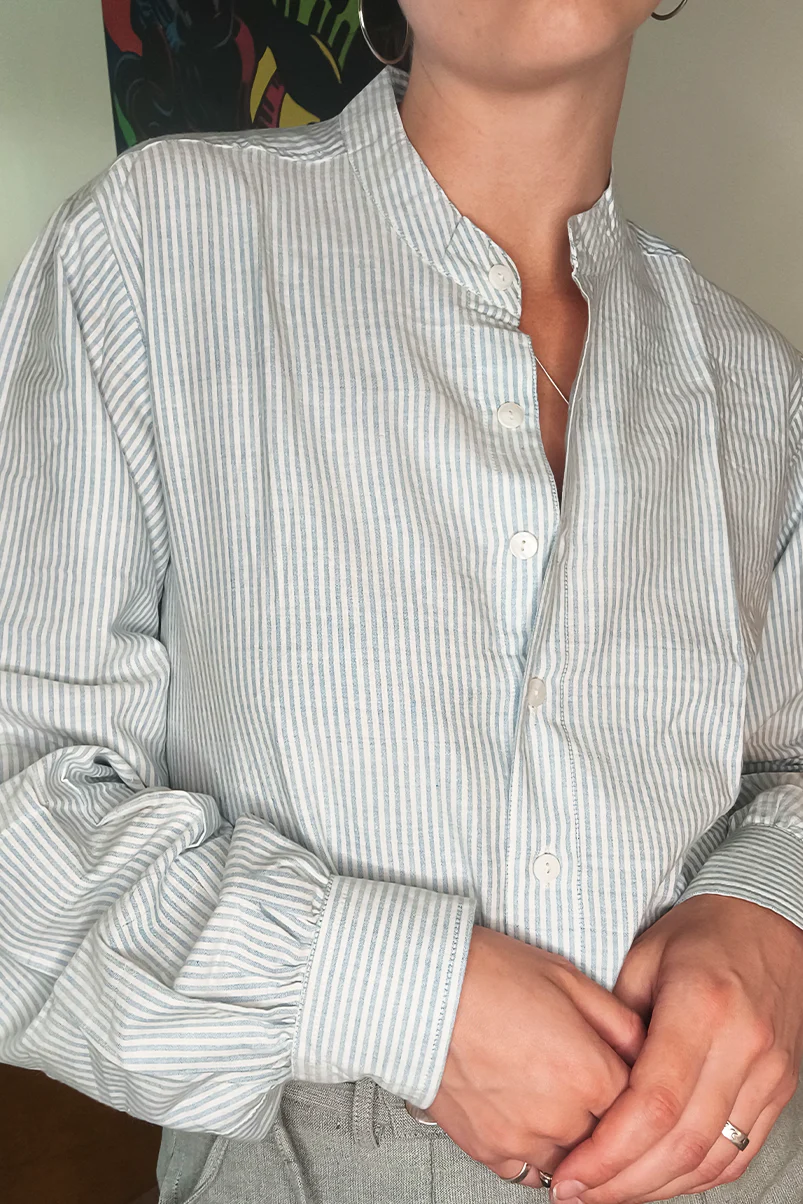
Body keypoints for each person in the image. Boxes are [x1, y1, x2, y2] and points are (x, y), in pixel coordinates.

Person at [0, 1, 801, 1201]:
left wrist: (765, 911)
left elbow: (788, 767)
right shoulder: (150, 251)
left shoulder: (754, 388)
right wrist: (406, 998)